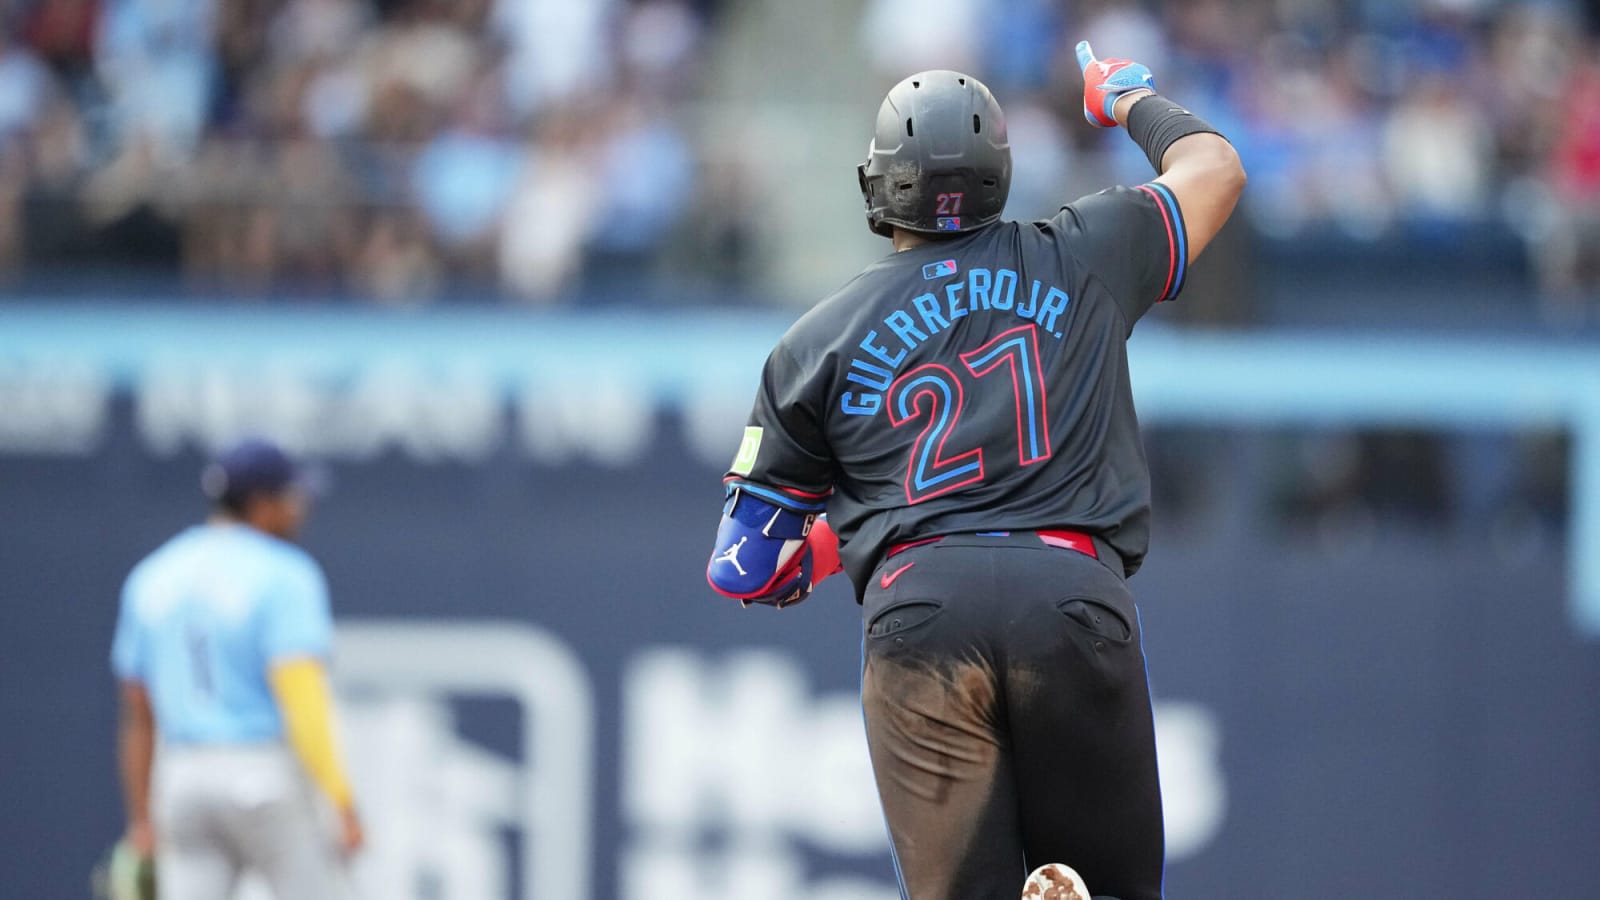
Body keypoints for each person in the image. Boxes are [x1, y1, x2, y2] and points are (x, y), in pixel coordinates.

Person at [705, 43, 1244, 900]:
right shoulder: (1086, 250)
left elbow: (743, 568)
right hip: (1072, 595)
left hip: (920, 611)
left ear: (876, 185)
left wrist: (846, 530)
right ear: (1000, 170)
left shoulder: (818, 340)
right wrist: (1128, 96)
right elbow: (1213, 166)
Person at [112, 438, 364, 899]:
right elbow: (303, 699)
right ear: (261, 505)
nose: (301, 508)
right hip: (261, 772)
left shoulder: (153, 577)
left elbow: (138, 713)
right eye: (291, 497)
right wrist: (341, 800)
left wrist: (141, 821)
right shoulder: (286, 574)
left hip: (183, 779)